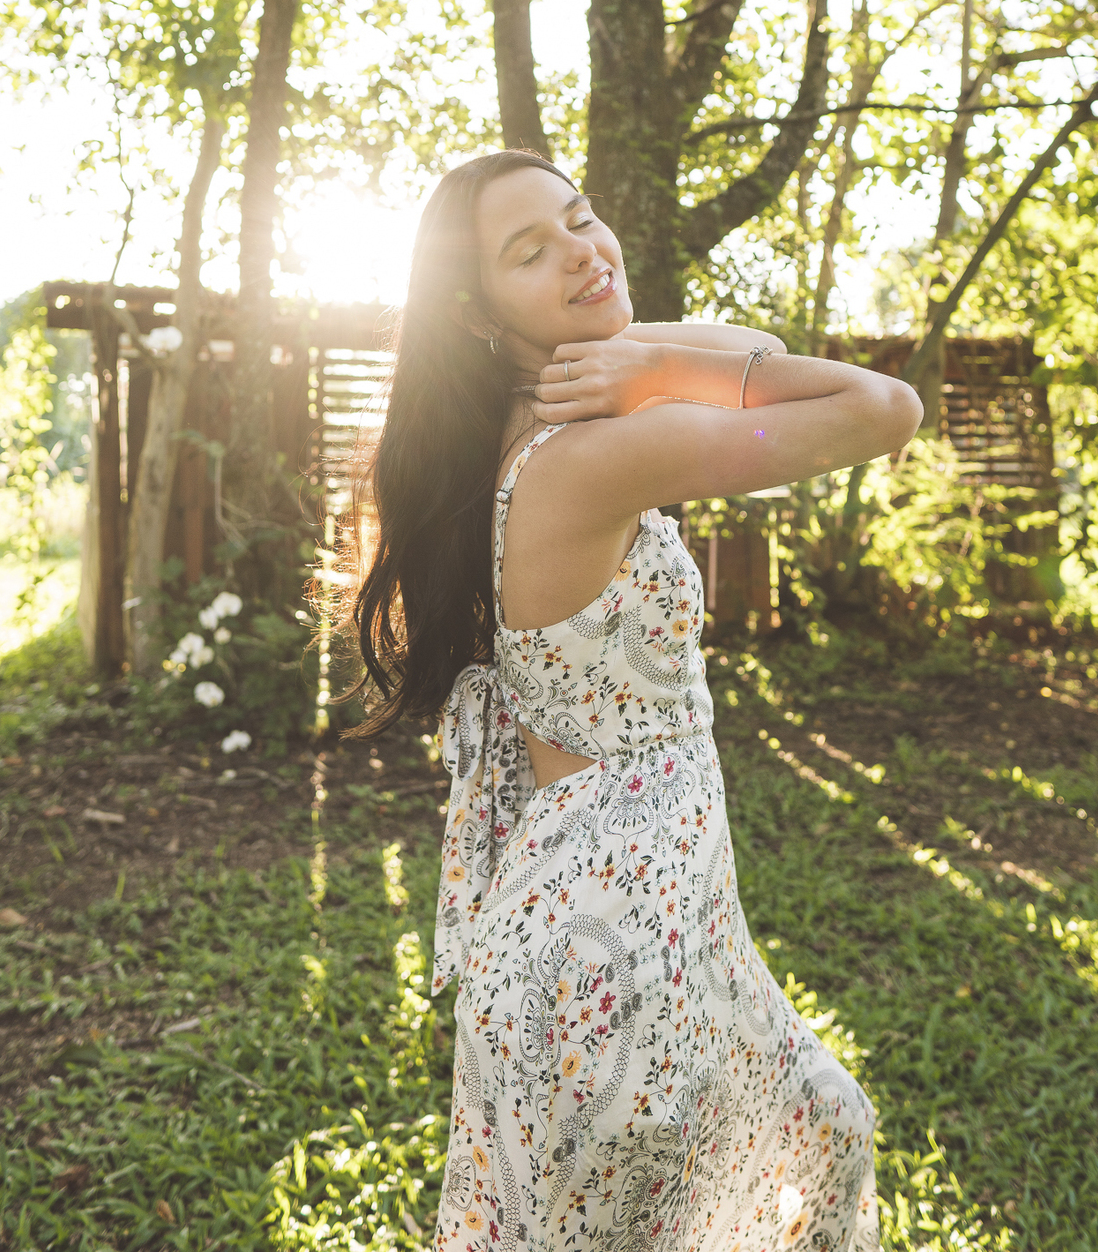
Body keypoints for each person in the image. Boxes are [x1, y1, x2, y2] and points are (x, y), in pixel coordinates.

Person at [348, 149, 922, 1252]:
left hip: (633, 922)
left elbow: (745, 353)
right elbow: (882, 408)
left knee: (823, 1129)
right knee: (800, 1147)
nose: (581, 251)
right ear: (477, 313)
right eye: (532, 252)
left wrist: (646, 354)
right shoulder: (594, 451)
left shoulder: (566, 408)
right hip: (605, 961)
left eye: (582, 217)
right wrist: (651, 369)